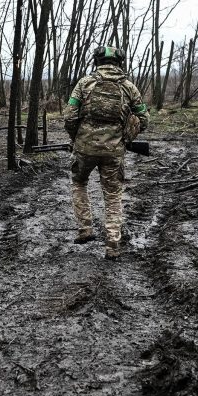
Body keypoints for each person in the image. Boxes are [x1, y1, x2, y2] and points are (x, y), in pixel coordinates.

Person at [64, 46, 150, 259]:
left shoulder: (84, 83)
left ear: (97, 61)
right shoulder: (129, 87)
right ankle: (112, 244)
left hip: (84, 147)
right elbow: (144, 119)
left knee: (79, 183)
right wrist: (126, 136)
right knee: (113, 194)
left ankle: (85, 229)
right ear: (119, 63)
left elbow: (69, 116)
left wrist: (77, 138)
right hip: (114, 150)